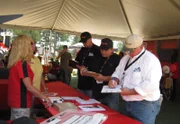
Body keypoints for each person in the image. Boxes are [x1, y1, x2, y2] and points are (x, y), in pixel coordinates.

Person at [108, 34, 162, 124]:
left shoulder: (150, 60)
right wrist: (114, 79)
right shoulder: (125, 59)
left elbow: (151, 85)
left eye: (131, 50)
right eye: (127, 49)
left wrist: (129, 92)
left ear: (141, 47)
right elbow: (117, 72)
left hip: (145, 105)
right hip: (127, 103)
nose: (129, 53)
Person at [7, 35, 51, 120]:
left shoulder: (16, 62)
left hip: (17, 102)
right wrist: (44, 97)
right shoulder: (22, 63)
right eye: (31, 44)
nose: (33, 46)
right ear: (24, 46)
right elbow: (29, 86)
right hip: (21, 103)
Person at [92, 38, 121, 111]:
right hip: (97, 91)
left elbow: (120, 76)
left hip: (111, 93)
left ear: (112, 49)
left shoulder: (117, 59)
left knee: (111, 114)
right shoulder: (97, 57)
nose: (103, 52)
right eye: (101, 50)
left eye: (106, 50)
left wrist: (104, 78)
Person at [75, 32, 102, 97]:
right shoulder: (82, 50)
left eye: (85, 41)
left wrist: (87, 69)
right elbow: (76, 62)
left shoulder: (98, 50)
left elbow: (99, 67)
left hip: (91, 85)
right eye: (82, 42)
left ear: (90, 39)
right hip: (81, 84)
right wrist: (80, 67)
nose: (84, 43)